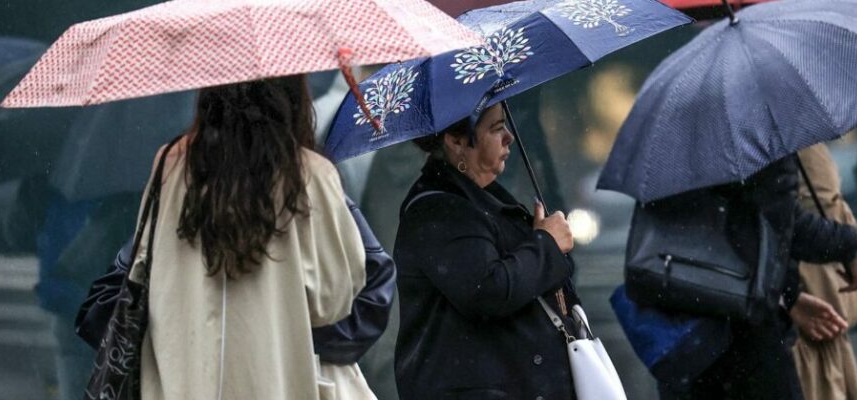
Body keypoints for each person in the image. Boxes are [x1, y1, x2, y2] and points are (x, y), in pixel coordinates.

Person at [125, 75, 366, 400]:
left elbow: (142, 269)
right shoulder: (311, 176)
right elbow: (332, 301)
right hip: (273, 381)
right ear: (291, 96)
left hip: (180, 379)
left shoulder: (170, 165)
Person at [393, 104, 580, 399]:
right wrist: (546, 245)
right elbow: (487, 290)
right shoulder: (438, 210)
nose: (509, 137)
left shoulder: (481, 198)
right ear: (455, 141)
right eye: (496, 129)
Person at [657, 153, 857, 400]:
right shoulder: (756, 138)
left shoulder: (671, 147)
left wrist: (788, 296)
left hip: (685, 332)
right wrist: (850, 245)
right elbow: (781, 224)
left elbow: (722, 232)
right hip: (747, 341)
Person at [788, 143, 857, 400]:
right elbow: (821, 198)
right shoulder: (787, 129)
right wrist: (851, 247)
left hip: (786, 302)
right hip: (808, 303)